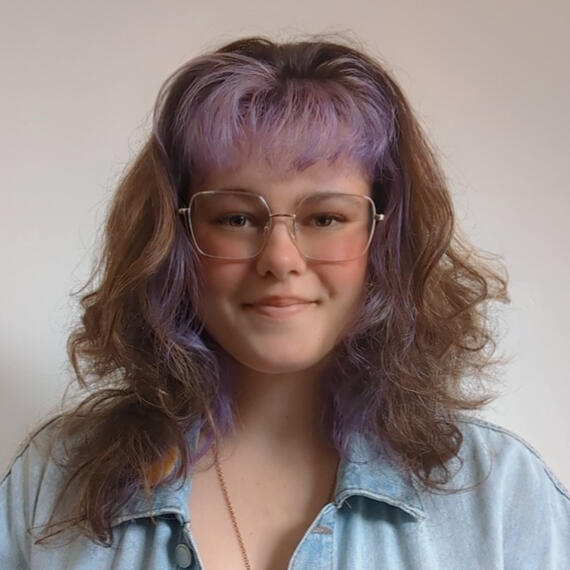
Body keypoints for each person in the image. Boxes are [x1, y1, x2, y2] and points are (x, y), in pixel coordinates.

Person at [1, 35, 569, 570]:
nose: (280, 257)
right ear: (173, 240)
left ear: (386, 240)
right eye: (236, 218)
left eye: (325, 218)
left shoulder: (499, 496)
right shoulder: (51, 482)